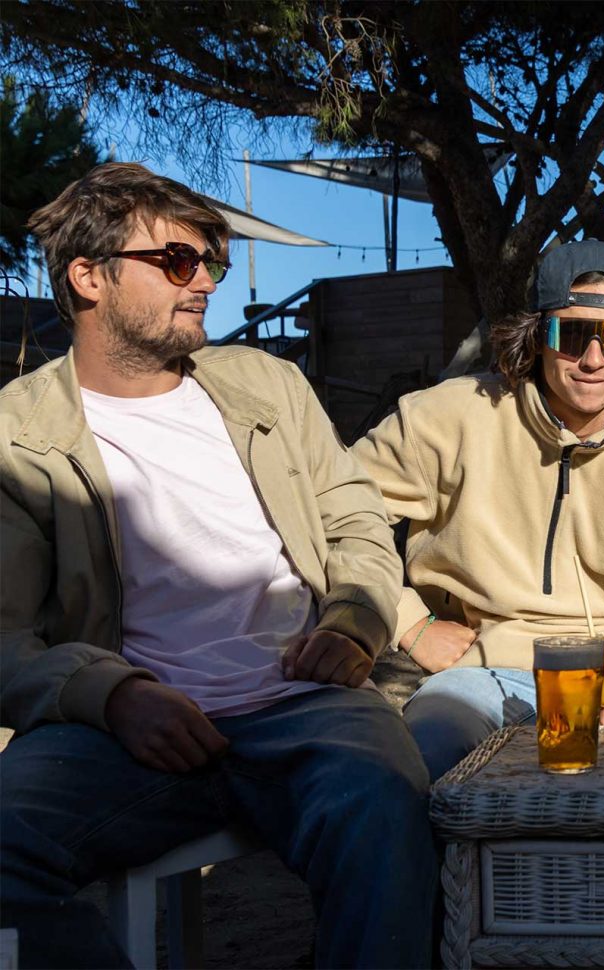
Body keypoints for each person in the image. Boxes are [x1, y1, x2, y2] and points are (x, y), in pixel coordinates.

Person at [0, 163, 436, 969]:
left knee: (390, 813)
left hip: (305, 705)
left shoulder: (265, 384)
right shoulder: (15, 436)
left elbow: (356, 520)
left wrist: (356, 620)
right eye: (175, 261)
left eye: (210, 262)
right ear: (88, 276)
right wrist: (114, 694)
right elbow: (6, 637)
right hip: (120, 731)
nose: (202, 280)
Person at [352, 239, 604, 781]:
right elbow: (333, 516)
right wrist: (412, 624)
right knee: (424, 753)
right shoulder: (441, 421)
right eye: (572, 335)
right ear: (537, 335)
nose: (593, 359)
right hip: (488, 674)